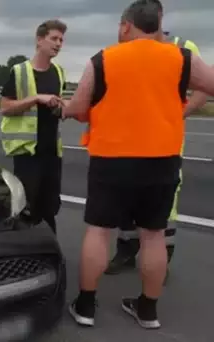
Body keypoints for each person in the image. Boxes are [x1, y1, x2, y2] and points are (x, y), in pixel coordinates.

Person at [62, 0, 214, 329]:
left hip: (111, 160)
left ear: (126, 25)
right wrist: (178, 109)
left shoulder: (102, 59)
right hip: (161, 161)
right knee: (154, 236)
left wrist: (66, 109)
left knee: (99, 233)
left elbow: (78, 107)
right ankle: (147, 310)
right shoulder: (181, 59)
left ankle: (86, 306)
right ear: (158, 25)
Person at [106, 0, 210, 279]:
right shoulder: (127, 47)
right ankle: (126, 250)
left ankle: (160, 262)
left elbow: (205, 87)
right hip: (129, 139)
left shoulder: (182, 47)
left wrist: (180, 113)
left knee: (164, 203)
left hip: (165, 140)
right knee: (127, 197)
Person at [0, 19, 67, 233]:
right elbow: (5, 108)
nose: (58, 44)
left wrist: (61, 108)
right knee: (28, 207)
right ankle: (24, 255)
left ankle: (50, 251)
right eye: (54, 38)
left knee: (50, 207)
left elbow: (56, 105)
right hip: (28, 152)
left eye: (61, 40)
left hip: (51, 152)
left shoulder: (59, 72)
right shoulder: (19, 72)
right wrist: (36, 98)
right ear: (39, 40)